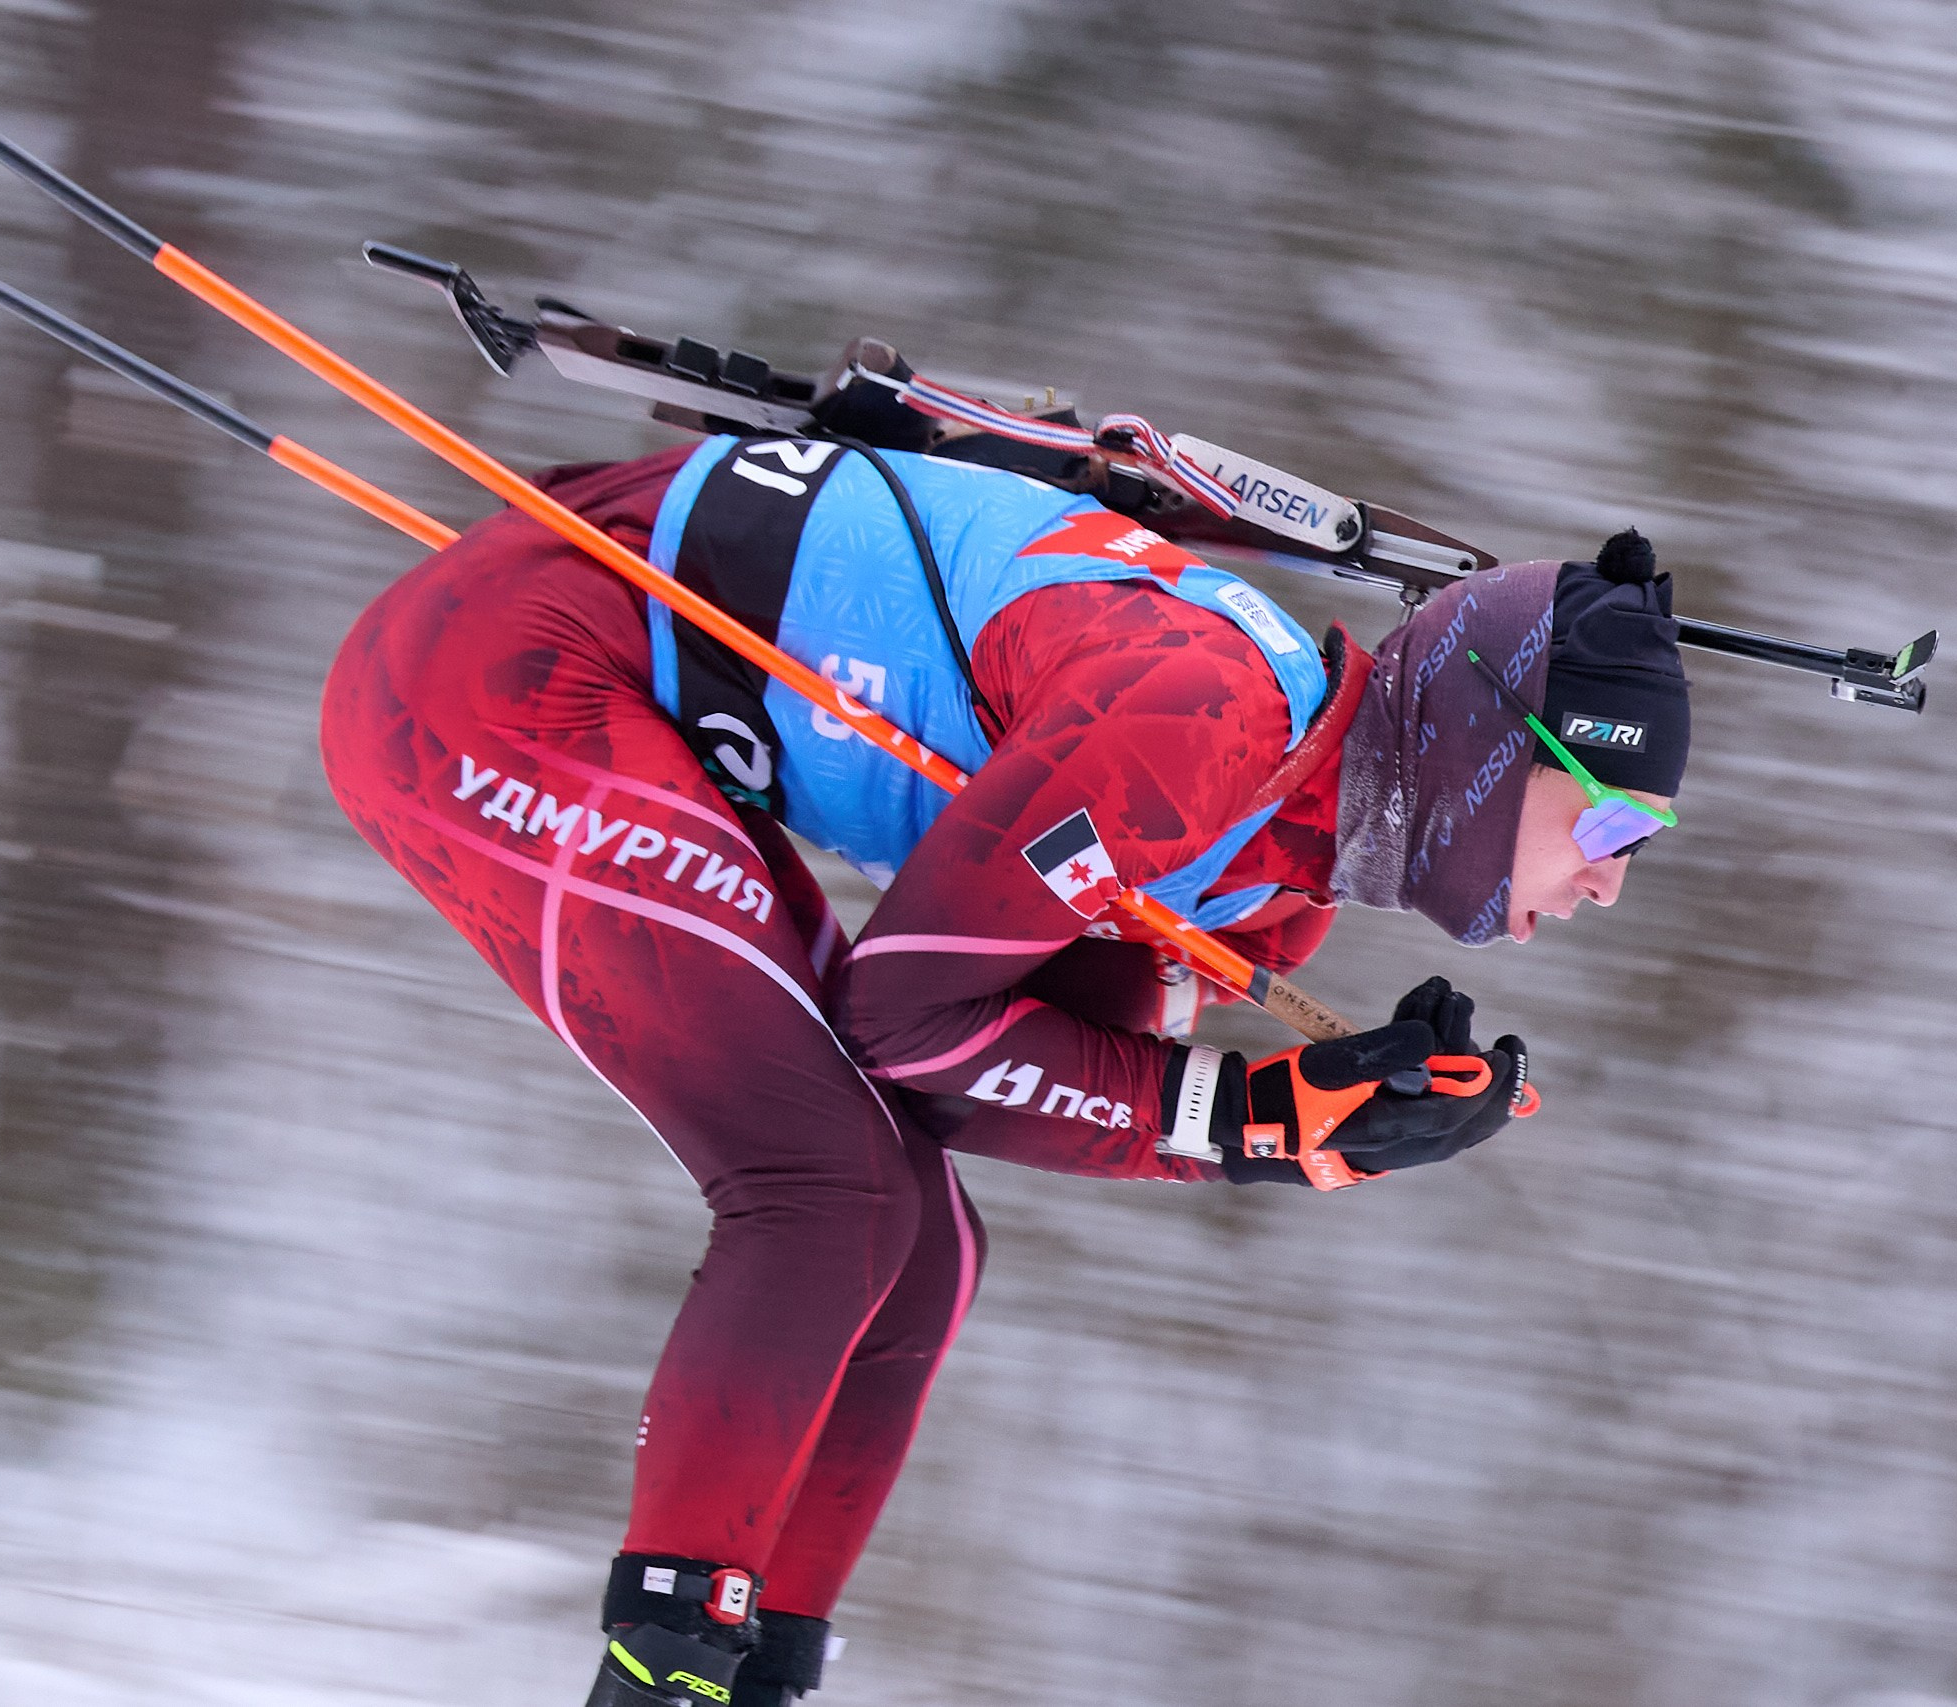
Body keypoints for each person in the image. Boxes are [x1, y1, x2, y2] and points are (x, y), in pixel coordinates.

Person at [317, 423, 1691, 1707]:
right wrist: (1255, 1122)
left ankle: (760, 1666)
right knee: (827, 1190)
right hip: (511, 675)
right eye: (1614, 822)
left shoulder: (1279, 874)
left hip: (618, 688)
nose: (1611, 882)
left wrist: (1287, 1123)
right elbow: (908, 1022)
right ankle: (666, 1660)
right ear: (1497, 752)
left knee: (920, 1240)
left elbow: (984, 1075)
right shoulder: (1206, 725)